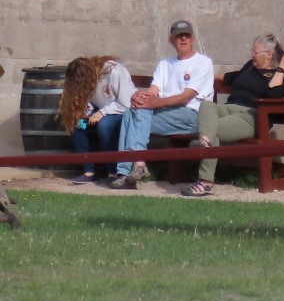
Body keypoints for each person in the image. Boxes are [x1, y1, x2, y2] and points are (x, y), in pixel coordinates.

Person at [182, 33, 284, 197]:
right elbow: (232, 77)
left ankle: (205, 181)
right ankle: (204, 141)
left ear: (269, 55)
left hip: (251, 117)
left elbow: (271, 95)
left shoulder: (281, 77)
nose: (251, 55)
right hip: (229, 108)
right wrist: (200, 77)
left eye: (255, 52)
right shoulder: (250, 67)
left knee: (214, 131)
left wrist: (282, 67)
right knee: (206, 105)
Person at [109, 19, 214, 190]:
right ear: (172, 40)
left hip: (191, 116)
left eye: (187, 35)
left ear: (193, 38)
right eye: (179, 36)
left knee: (136, 115)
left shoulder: (203, 62)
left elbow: (186, 97)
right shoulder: (165, 64)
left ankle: (129, 169)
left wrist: (154, 103)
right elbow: (153, 90)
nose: (183, 39)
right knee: (131, 112)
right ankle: (132, 168)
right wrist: (141, 97)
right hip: (165, 114)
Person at [56, 54, 132, 184]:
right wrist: (86, 111)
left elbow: (126, 103)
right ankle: (89, 170)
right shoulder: (88, 81)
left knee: (104, 125)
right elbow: (93, 100)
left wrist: (102, 112)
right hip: (101, 113)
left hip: (122, 114)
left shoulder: (114, 71)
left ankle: (113, 171)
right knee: (77, 124)